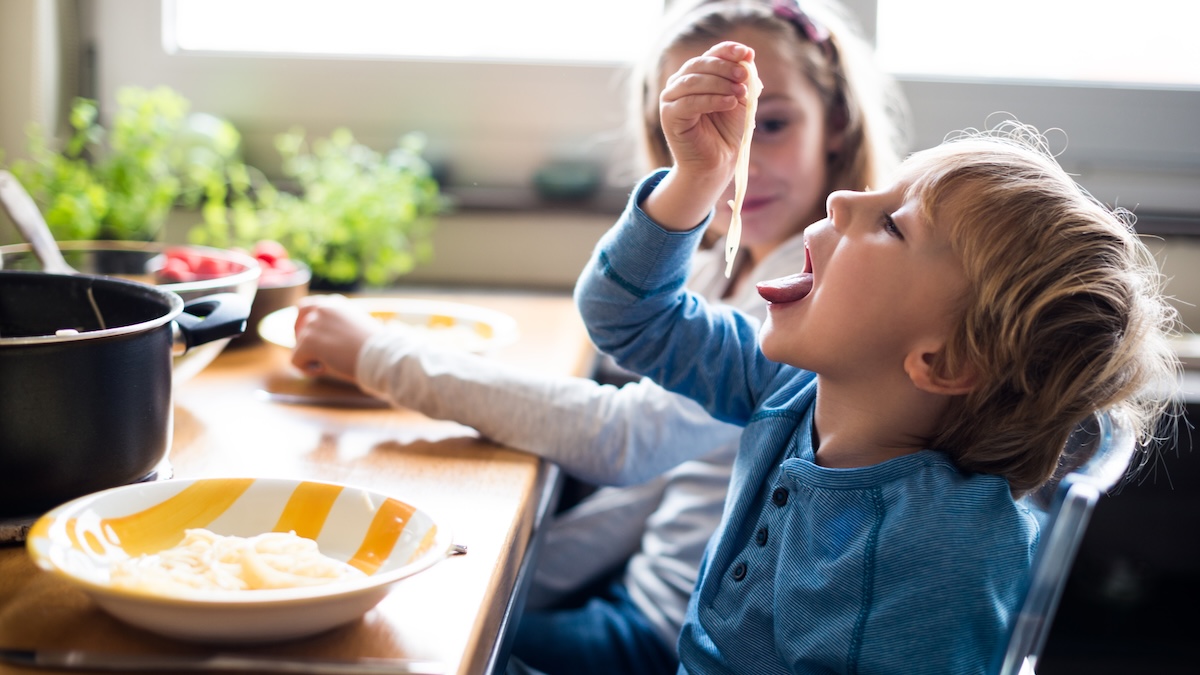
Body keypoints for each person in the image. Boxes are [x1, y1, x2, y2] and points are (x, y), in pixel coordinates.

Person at [290, 1, 907, 673]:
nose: (742, 161)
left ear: (836, 124)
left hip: (671, 633)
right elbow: (643, 477)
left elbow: (626, 440)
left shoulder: (820, 305)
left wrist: (381, 355)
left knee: (382, 647)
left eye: (773, 124)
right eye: (705, 130)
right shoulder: (714, 265)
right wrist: (510, 577)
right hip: (634, 597)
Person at [573, 37, 1181, 673]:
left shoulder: (948, 554)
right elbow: (633, 320)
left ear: (943, 364)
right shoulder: (789, 387)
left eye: (894, 223)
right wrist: (696, 178)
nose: (842, 199)